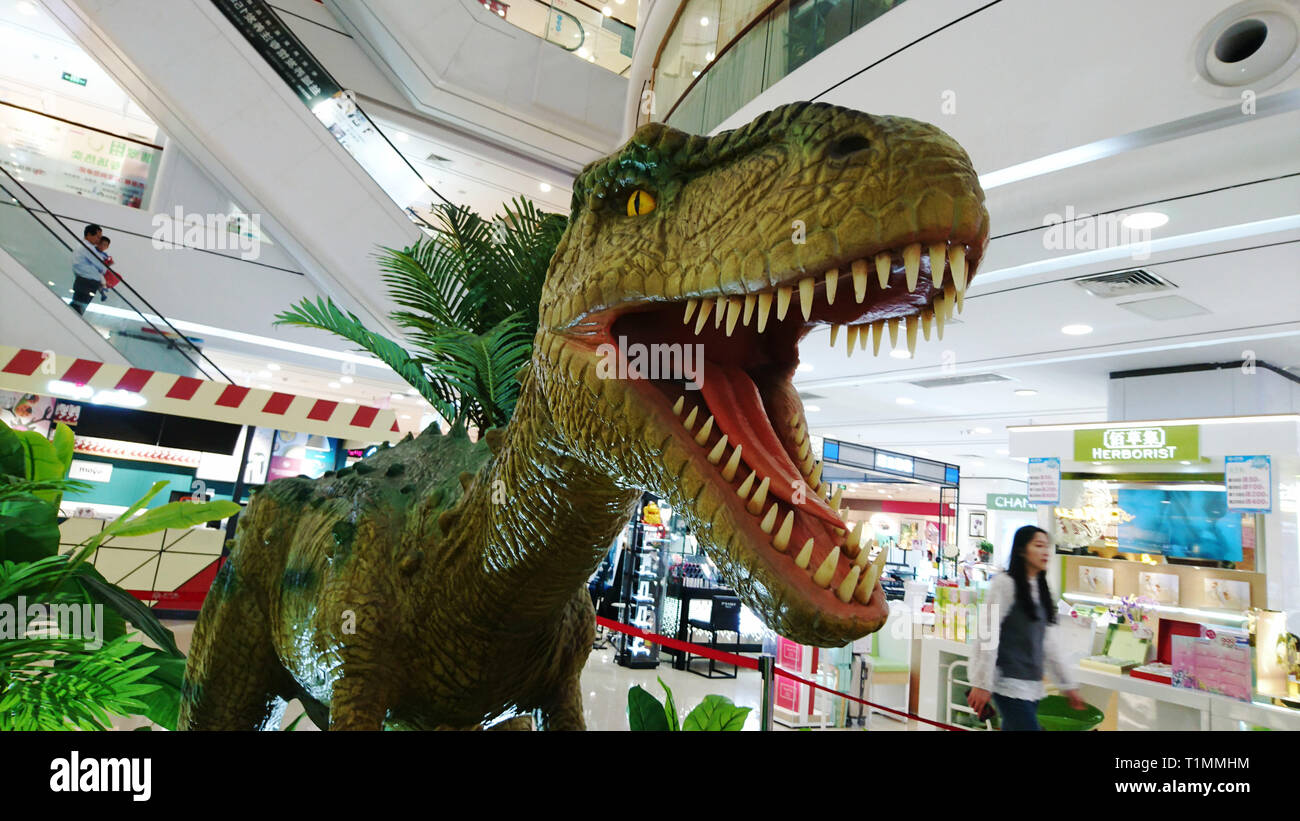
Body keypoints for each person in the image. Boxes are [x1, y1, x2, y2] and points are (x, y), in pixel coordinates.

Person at [967, 525, 1085, 730]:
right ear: (1022, 550)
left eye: (1047, 546)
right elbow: (987, 632)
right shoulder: (1004, 584)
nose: (1045, 551)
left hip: (1032, 686)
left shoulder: (1040, 588)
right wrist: (982, 682)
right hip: (1007, 684)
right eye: (1038, 545)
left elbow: (1048, 643)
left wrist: (1067, 685)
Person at [70, 223, 105, 315]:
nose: (99, 240)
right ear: (89, 234)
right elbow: (101, 265)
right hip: (86, 282)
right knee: (78, 307)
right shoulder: (87, 247)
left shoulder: (83, 246)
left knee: (79, 306)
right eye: (97, 237)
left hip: (85, 281)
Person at [96, 235, 119, 299]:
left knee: (100, 281)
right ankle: (104, 289)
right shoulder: (93, 250)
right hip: (95, 271)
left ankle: (103, 293)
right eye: (102, 244)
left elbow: (107, 263)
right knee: (100, 280)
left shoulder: (105, 255)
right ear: (98, 243)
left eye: (105, 245)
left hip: (101, 271)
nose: (103, 246)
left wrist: (109, 263)